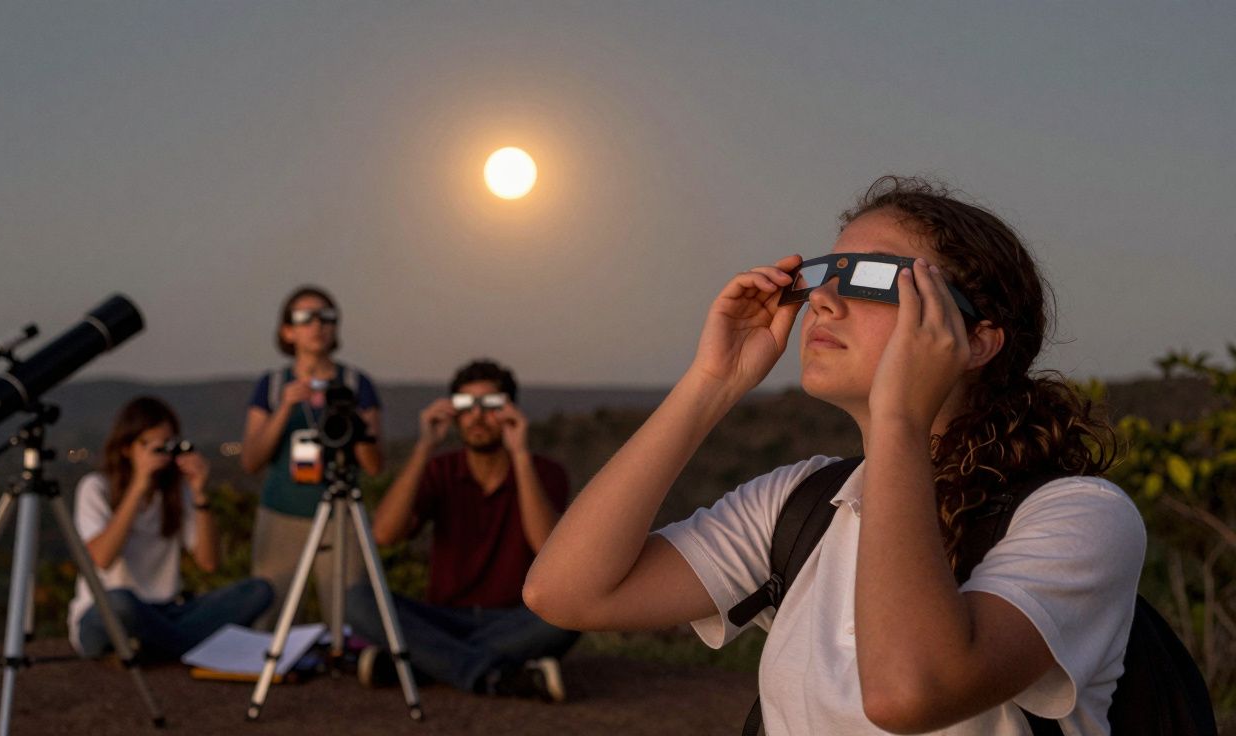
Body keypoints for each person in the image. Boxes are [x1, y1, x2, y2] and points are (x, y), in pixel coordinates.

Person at [524, 176, 1145, 733]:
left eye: (871, 278)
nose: (821, 300)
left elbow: (908, 695)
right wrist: (711, 383)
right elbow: (567, 594)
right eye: (825, 273)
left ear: (975, 341)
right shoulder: (804, 503)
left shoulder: (1080, 516)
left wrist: (900, 420)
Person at [347, 359, 579, 702]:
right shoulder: (440, 469)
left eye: (490, 405)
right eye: (466, 406)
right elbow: (384, 534)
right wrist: (424, 446)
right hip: (444, 616)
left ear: (510, 411)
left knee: (571, 610)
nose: (478, 416)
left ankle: (419, 662)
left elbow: (546, 547)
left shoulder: (544, 472)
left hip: (515, 618)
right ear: (453, 413)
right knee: (357, 601)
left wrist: (520, 454)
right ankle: (495, 673)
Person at [68, 396, 273, 661]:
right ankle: (183, 645)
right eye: (150, 445)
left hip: (166, 611)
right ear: (126, 448)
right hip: (105, 614)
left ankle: (159, 646)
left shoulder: (176, 492)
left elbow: (209, 563)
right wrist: (139, 486)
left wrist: (200, 494)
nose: (160, 453)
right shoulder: (96, 487)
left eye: (167, 444)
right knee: (120, 602)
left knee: (258, 591)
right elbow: (102, 559)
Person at [241, 285, 384, 628]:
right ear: (287, 331)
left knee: (348, 617)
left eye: (327, 317)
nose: (317, 325)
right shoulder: (273, 386)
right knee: (269, 616)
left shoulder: (356, 384)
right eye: (305, 318)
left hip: (341, 515)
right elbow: (250, 461)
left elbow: (374, 464)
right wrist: (285, 407)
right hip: (281, 514)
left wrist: (353, 419)